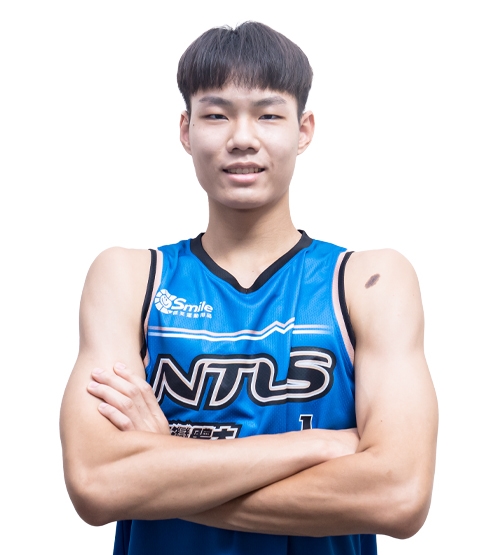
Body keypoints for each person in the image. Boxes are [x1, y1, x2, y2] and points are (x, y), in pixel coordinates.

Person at [60, 21, 438, 555]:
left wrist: (166, 463)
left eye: (268, 114)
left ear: (304, 130)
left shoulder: (369, 282)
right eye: (217, 115)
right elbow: (97, 484)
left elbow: (398, 495)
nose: (242, 137)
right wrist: (317, 446)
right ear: (187, 130)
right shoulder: (129, 278)